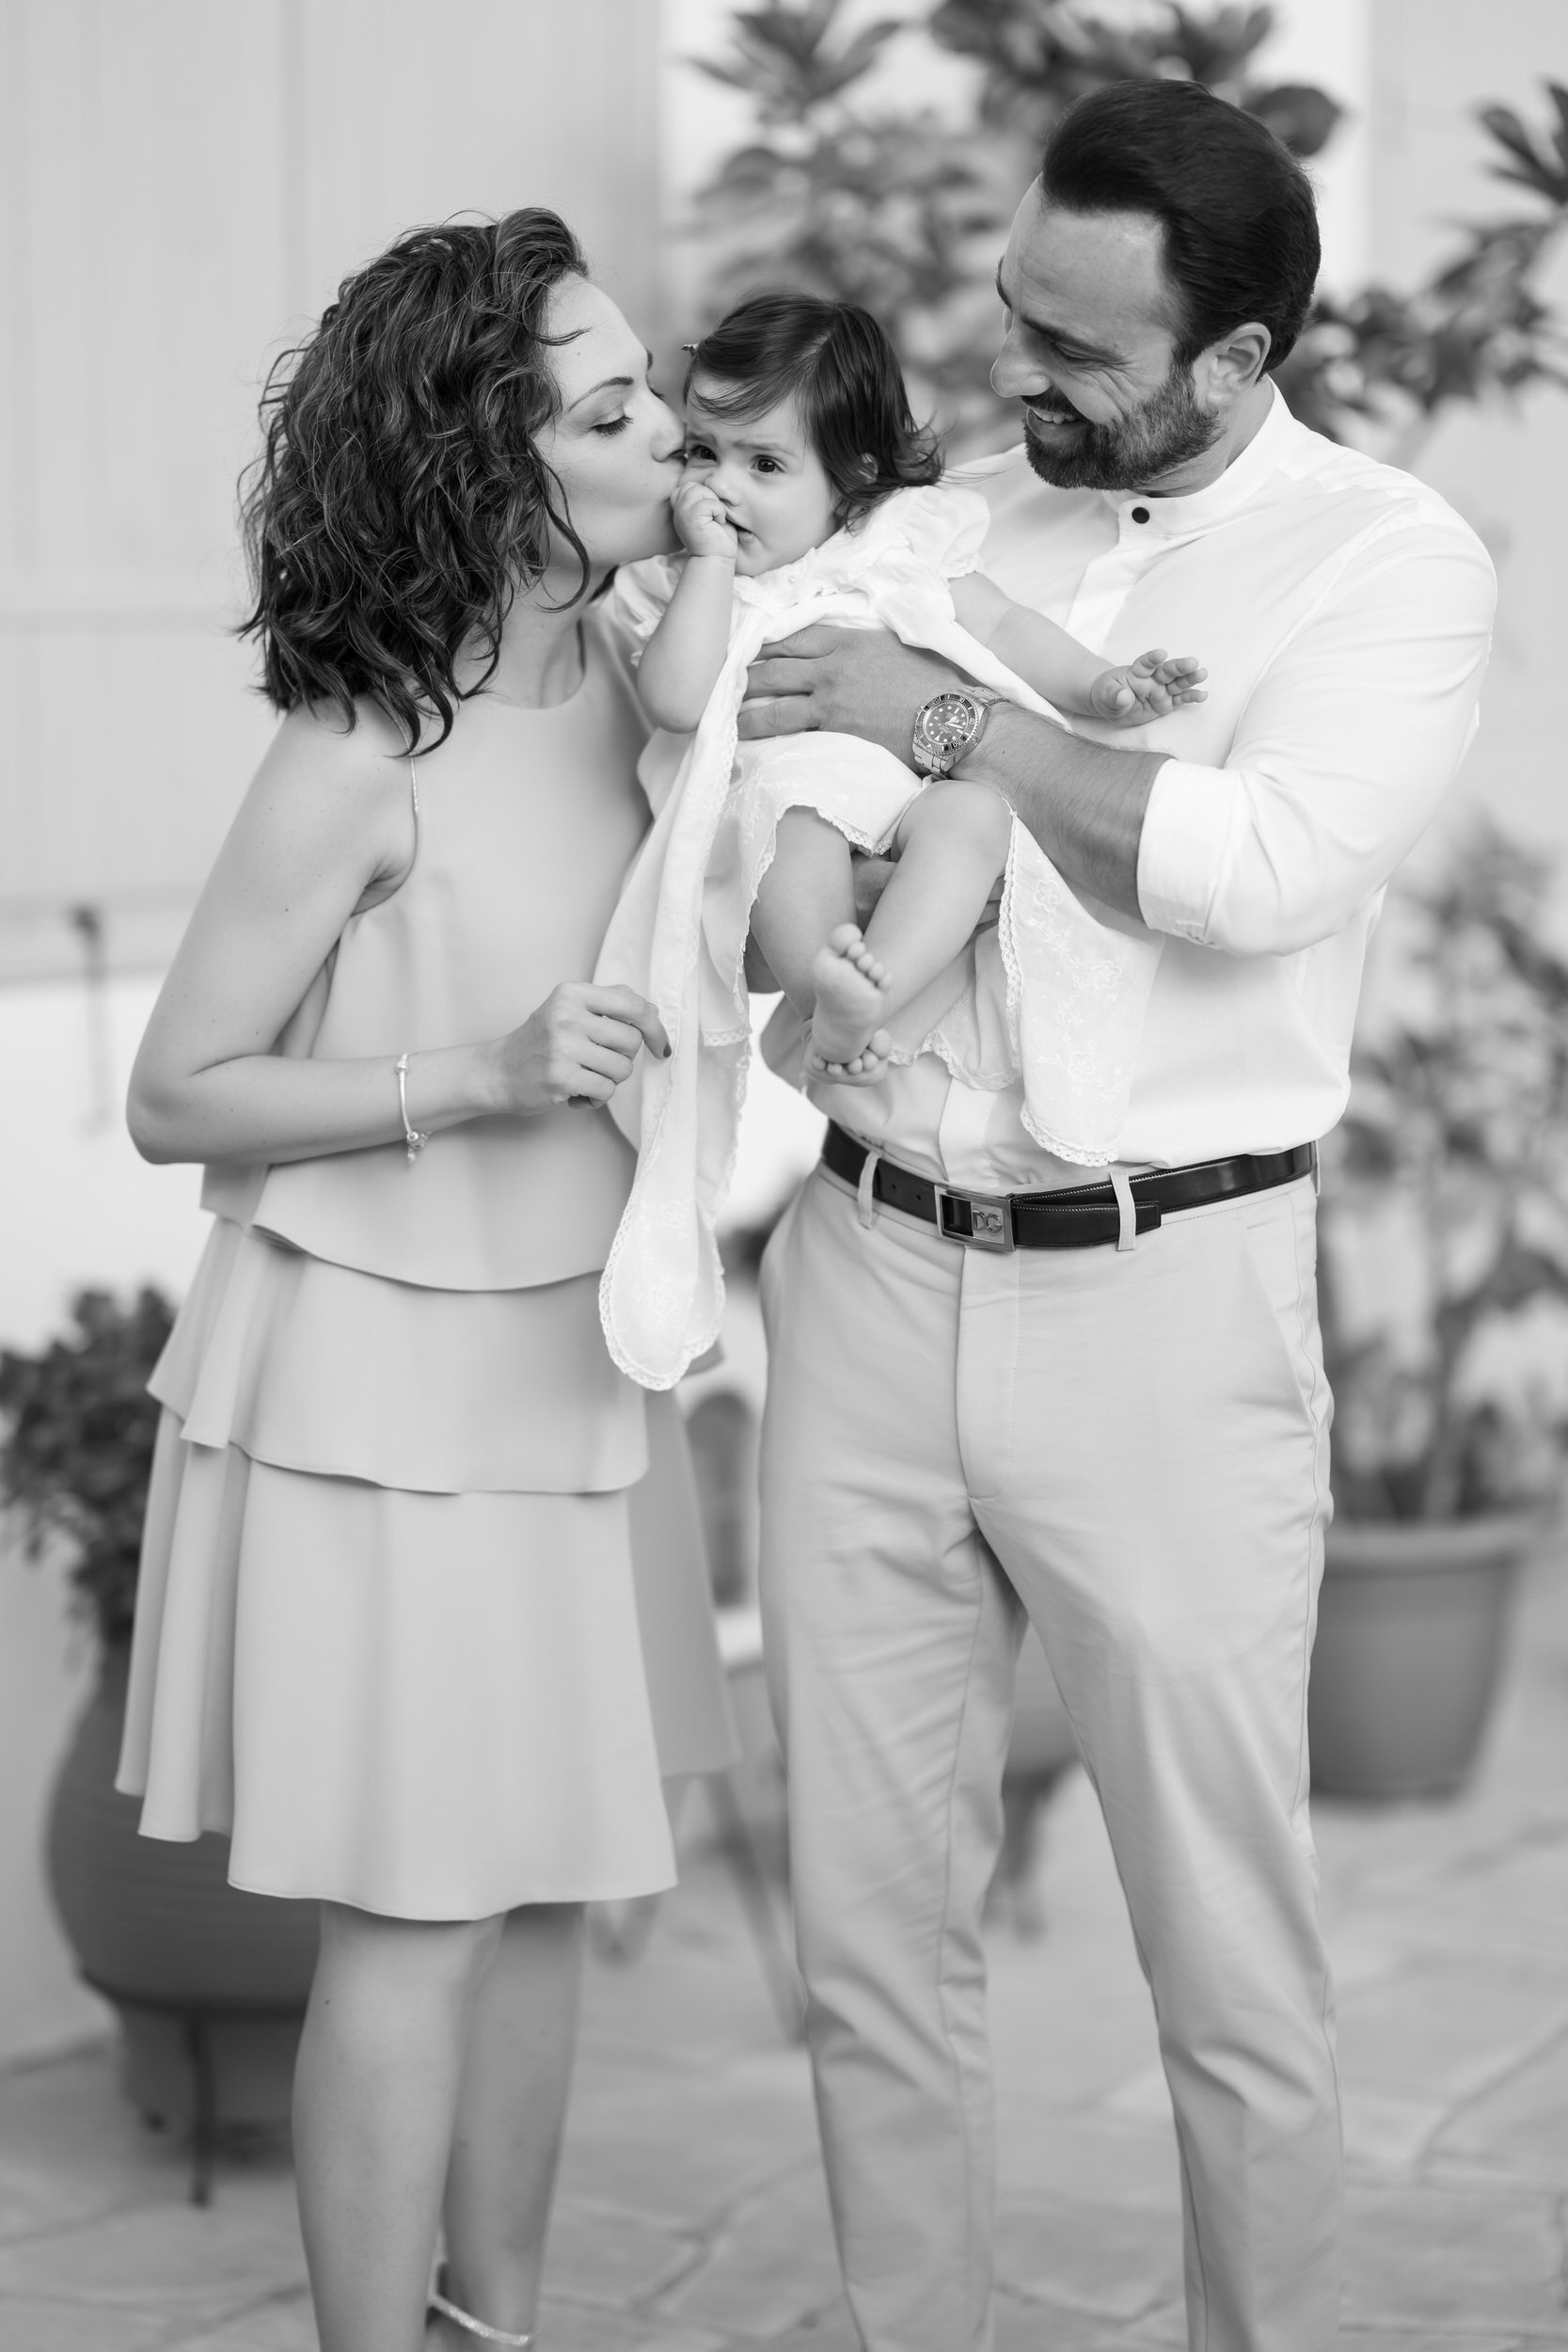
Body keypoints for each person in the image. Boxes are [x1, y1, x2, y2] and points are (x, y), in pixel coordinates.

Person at [744, 80, 1497, 2352]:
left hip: (1165, 1299)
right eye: (1011, 320)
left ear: (1234, 360)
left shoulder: (1388, 561)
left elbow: (1257, 872)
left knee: (1225, 1945)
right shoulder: (956, 524)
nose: (1017, 381)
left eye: (1077, 350)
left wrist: (946, 730)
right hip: (867, 1263)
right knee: (868, 1939)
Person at [118, 210, 734, 2352]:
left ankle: (505, 2324)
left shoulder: (655, 697)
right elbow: (176, 1095)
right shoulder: (357, 746)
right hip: (374, 1396)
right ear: (491, 468)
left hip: (573, 1374)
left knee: (553, 1887)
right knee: (416, 1921)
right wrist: (466, 1077)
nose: (664, 428)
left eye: (647, 385)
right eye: (608, 408)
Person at [594, 293, 1202, 1390]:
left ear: (854, 476)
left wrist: (1102, 687)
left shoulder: (903, 543)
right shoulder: (691, 582)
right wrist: (713, 573)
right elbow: (679, 701)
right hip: (792, 785)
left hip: (916, 779)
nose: (718, 486)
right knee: (802, 836)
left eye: (763, 465)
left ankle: (878, 989)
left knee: (975, 817)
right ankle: (835, 979)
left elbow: (1005, 631)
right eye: (703, 450)